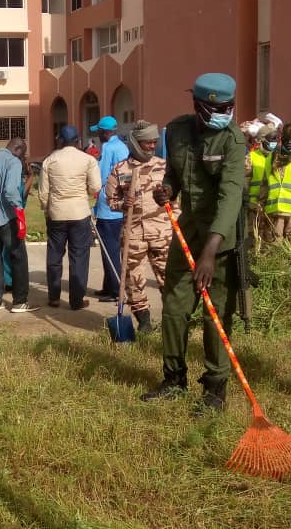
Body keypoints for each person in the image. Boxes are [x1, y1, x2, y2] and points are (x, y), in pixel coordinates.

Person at [142, 73, 245, 413]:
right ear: (197, 106)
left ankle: (215, 388)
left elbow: (231, 198)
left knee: (215, 317)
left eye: (229, 107)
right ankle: (174, 379)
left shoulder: (232, 140)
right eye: (217, 109)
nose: (224, 114)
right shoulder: (177, 131)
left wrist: (211, 253)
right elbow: (174, 175)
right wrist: (166, 190)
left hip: (221, 240)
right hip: (186, 233)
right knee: (173, 310)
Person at [105, 120, 171, 332]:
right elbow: (111, 200)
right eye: (147, 143)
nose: (152, 146)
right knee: (133, 280)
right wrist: (122, 204)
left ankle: (174, 319)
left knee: (170, 278)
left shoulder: (164, 166)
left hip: (163, 233)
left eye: (154, 142)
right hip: (134, 235)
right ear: (135, 143)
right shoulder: (120, 169)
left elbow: (176, 200)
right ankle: (144, 322)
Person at [38, 125, 101, 310]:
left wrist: (46, 210)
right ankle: (76, 300)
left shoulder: (50, 160)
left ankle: (54, 297)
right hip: (79, 213)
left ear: (60, 140)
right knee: (79, 257)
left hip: (56, 214)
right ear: (78, 141)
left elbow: (43, 192)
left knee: (55, 255)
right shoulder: (88, 159)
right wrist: (85, 194)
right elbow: (96, 187)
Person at [0, 138, 38, 313]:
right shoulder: (13, 162)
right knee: (19, 257)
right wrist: (19, 208)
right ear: (19, 149)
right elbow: (10, 190)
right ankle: (19, 301)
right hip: (8, 219)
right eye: (24, 153)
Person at [90, 116, 128, 302]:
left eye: (98, 131)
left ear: (105, 132)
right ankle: (108, 286)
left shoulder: (108, 148)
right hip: (119, 204)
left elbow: (101, 177)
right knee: (110, 247)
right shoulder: (122, 147)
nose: (97, 134)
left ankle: (115, 290)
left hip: (109, 206)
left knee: (110, 249)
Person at [245, 123, 274, 254]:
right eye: (270, 138)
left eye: (275, 139)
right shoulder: (251, 157)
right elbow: (244, 182)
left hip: (272, 204)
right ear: (262, 140)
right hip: (254, 205)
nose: (274, 142)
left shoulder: (278, 158)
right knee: (253, 237)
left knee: (271, 237)